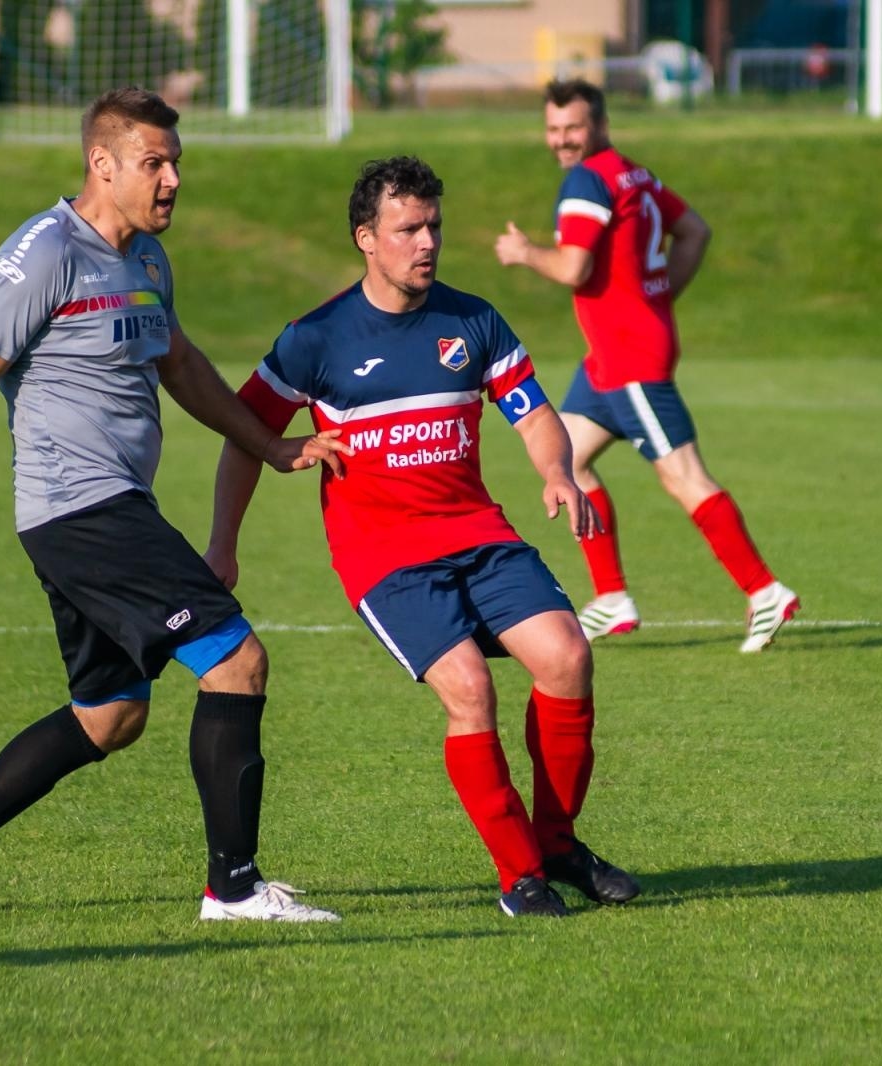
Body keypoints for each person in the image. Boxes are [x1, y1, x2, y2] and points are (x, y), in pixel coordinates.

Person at [0, 87, 344, 921]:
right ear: (101, 163)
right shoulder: (44, 252)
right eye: (152, 163)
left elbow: (183, 364)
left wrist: (269, 445)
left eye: (176, 163)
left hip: (105, 509)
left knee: (111, 714)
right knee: (236, 662)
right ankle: (232, 889)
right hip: (83, 511)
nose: (171, 180)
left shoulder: (148, 260)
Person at [205, 156, 639, 918]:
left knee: (569, 657)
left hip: (478, 533)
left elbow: (533, 412)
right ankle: (519, 877)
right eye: (408, 228)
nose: (427, 241)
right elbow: (245, 436)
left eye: (434, 225)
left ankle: (559, 844)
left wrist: (558, 473)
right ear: (366, 238)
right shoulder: (316, 339)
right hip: (386, 557)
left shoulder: (472, 320)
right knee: (470, 690)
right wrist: (223, 546)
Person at [494, 78, 800, 653]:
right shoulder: (631, 173)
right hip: (610, 356)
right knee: (568, 457)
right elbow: (695, 231)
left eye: (574, 128)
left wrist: (524, 252)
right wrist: (655, 299)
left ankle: (764, 591)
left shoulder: (587, 180)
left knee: (682, 475)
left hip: (630, 358)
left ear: (600, 126)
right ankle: (611, 598)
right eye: (555, 130)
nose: (563, 140)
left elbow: (574, 268)